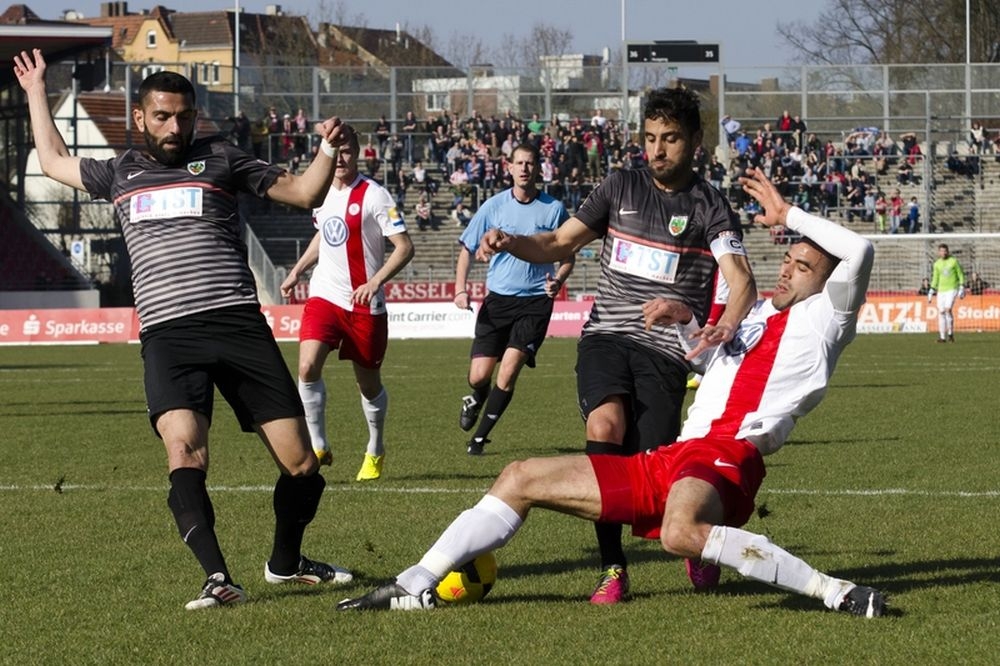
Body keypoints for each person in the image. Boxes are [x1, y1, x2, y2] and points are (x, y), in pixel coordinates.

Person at [336, 168, 885, 618]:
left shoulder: (827, 317)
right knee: (519, 476)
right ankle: (412, 583)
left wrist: (788, 214)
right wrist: (685, 320)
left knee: (678, 532)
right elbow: (708, 362)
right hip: (675, 457)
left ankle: (834, 591)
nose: (787, 272)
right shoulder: (758, 315)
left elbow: (858, 249)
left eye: (803, 267)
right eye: (787, 260)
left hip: (727, 454)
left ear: (827, 280)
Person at [14, 48, 354, 609]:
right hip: (169, 334)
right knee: (185, 452)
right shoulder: (119, 171)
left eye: (184, 116)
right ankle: (217, 578)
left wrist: (327, 150)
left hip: (238, 325)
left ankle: (286, 563)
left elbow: (303, 193)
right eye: (163, 116)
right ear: (141, 118)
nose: (175, 127)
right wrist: (35, 91)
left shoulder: (222, 158)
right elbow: (52, 161)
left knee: (302, 466)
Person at [474, 87, 756, 604]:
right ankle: (612, 567)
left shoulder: (709, 205)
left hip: (666, 352)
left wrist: (726, 324)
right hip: (605, 336)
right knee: (604, 427)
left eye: (670, 138)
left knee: (653, 469)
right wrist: (511, 242)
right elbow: (559, 242)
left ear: (695, 141)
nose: (657, 150)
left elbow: (741, 279)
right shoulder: (619, 185)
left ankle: (693, 540)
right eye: (649, 138)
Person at [280, 129, 414, 480]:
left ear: (358, 154)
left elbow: (404, 246)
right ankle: (318, 444)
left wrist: (375, 281)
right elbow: (324, 234)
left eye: (347, 152)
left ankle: (375, 447)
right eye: (334, 151)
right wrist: (297, 270)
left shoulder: (375, 195)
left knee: (368, 386)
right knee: (307, 367)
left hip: (364, 305)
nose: (340, 159)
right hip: (325, 295)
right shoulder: (320, 192)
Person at [454, 142, 575, 455]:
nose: (524, 168)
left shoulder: (554, 209)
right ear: (509, 168)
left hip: (535, 302)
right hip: (498, 301)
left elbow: (568, 255)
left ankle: (478, 439)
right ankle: (477, 397)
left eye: (529, 163)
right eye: (518, 163)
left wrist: (558, 280)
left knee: (508, 371)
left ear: (538, 168)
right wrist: (460, 288)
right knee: (478, 376)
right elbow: (467, 248)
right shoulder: (493, 206)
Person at [928, 243, 966, 343]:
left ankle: (950, 334)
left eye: (945, 251)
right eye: (941, 251)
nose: (943, 253)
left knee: (948, 309)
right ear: (938, 252)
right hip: (941, 290)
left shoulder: (953, 261)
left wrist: (962, 286)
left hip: (952, 288)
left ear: (948, 251)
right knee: (941, 312)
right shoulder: (937, 264)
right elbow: (935, 278)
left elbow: (960, 274)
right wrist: (932, 289)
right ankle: (942, 337)